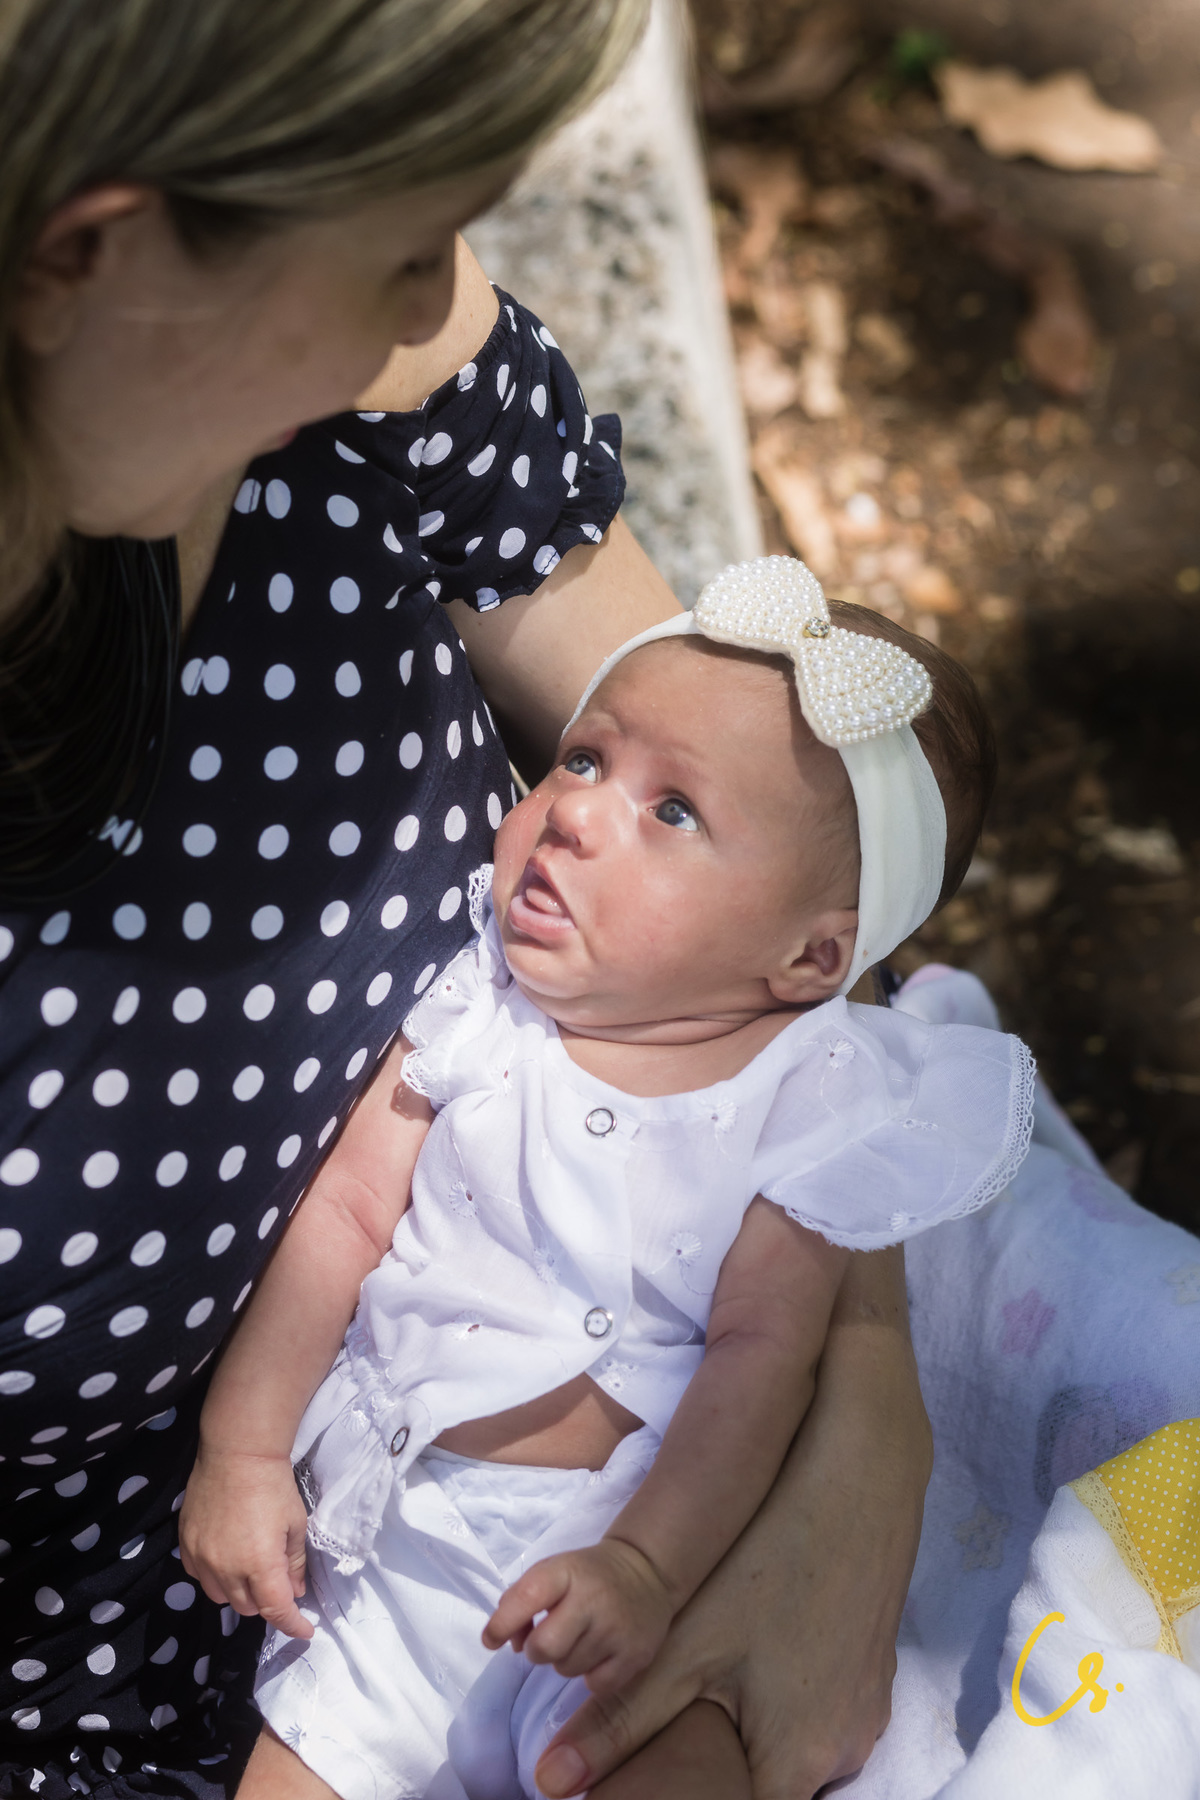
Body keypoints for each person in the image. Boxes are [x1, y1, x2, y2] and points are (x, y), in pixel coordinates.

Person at [0, 6, 933, 1797]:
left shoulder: (330, 322)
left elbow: (776, 851)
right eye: (405, 251)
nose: (442, 304)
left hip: (645, 1513)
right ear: (84, 255)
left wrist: (860, 1434)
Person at [179, 561, 1031, 1800]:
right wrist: (242, 1451)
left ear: (809, 957)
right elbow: (346, 1217)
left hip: (639, 1588)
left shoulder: (805, 1099)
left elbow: (761, 1357)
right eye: (581, 759)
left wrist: (644, 1567)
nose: (575, 811)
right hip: (392, 1575)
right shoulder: (481, 1005)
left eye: (672, 811)